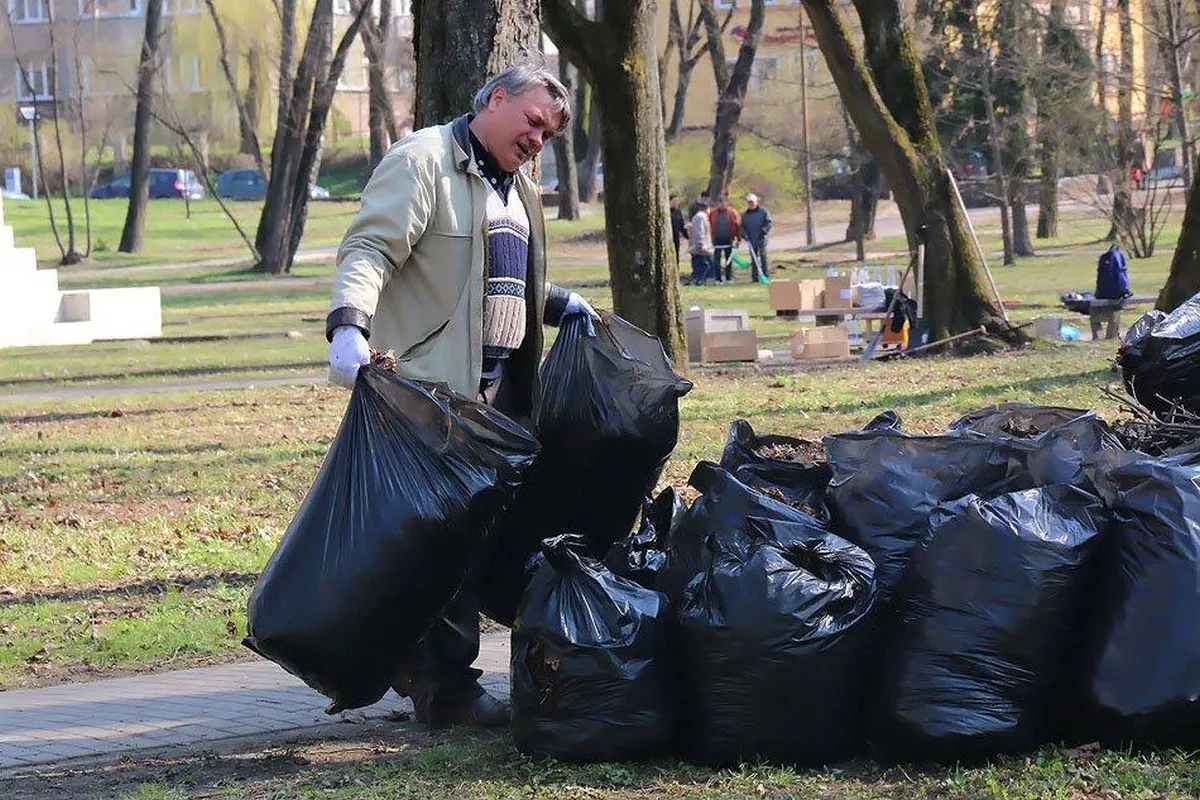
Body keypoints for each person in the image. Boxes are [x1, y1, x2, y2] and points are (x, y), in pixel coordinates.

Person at [324, 63, 598, 730]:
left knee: (466, 544)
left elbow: (495, 277)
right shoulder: (423, 162)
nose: (539, 138)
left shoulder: (518, 188)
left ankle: (411, 669)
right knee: (445, 547)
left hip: (497, 403)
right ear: (494, 99)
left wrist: (561, 304)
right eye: (532, 121)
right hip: (429, 398)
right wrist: (348, 326)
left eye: (551, 133)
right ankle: (446, 691)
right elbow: (369, 249)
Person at [740, 193, 773, 282]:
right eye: (749, 202)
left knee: (763, 257)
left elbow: (769, 223)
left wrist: (763, 231)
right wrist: (744, 234)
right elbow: (742, 227)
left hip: (761, 239)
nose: (751, 204)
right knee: (754, 258)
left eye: (752, 202)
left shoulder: (763, 212)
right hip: (751, 239)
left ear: (756, 202)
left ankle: (765, 275)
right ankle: (755, 277)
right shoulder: (745, 215)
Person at [708, 197, 740, 283]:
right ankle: (718, 278)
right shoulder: (713, 213)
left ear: (727, 203)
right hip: (717, 239)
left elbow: (737, 226)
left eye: (723, 203)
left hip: (729, 239)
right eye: (719, 203)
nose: (721, 205)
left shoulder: (732, 213)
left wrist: (737, 239)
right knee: (716, 259)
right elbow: (709, 225)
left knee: (728, 259)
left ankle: (728, 277)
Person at [688, 202, 715, 286]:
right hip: (701, 248)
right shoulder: (700, 217)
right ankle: (699, 281)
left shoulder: (702, 217)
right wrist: (700, 244)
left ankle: (704, 281)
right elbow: (699, 232)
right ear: (707, 209)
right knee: (703, 266)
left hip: (704, 247)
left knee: (706, 266)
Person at [669, 194, 688, 267]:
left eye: (677, 201)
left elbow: (681, 225)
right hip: (669, 237)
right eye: (675, 201)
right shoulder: (667, 211)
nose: (677, 202)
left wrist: (687, 236)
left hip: (676, 237)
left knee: (676, 254)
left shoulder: (678, 212)